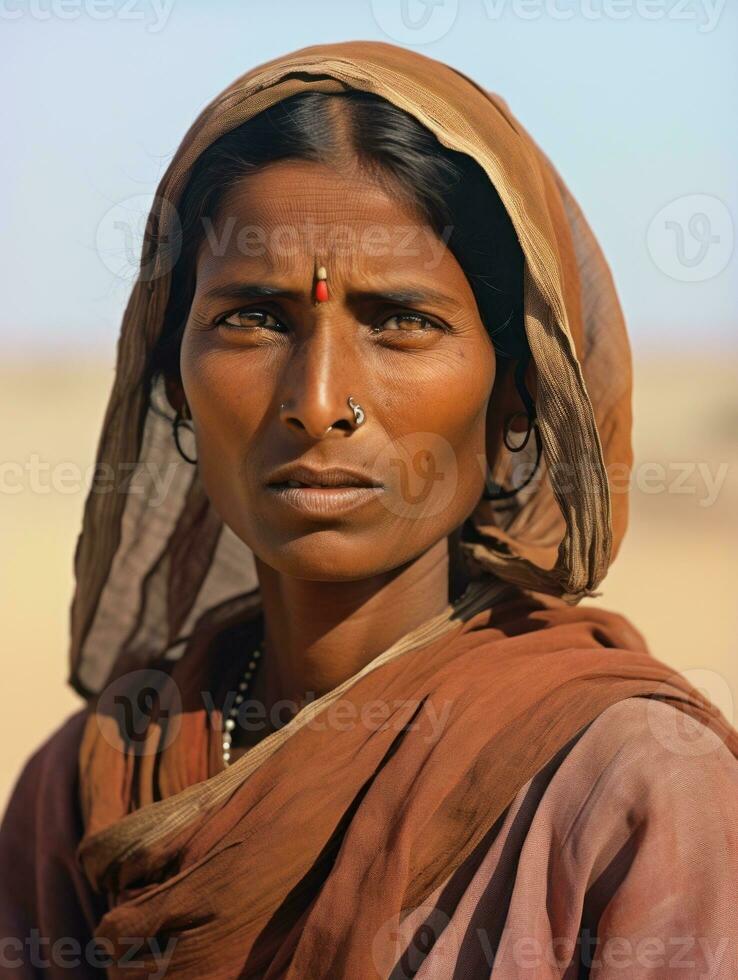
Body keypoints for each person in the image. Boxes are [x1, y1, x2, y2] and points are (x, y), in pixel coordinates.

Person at [2, 40, 737, 979]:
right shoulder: (92, 783)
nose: (317, 399)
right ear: (174, 384)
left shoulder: (630, 788)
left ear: (515, 397)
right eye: (254, 318)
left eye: (401, 320)